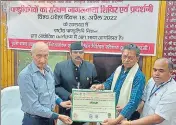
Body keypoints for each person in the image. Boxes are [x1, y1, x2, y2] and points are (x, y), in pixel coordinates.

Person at [18, 42, 73, 125]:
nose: (42, 60)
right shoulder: (25, 76)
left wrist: (60, 102)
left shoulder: (48, 70)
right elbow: (34, 106)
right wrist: (58, 116)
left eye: (45, 56)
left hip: (49, 119)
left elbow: (50, 93)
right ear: (31, 54)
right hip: (34, 120)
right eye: (39, 56)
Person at [91, 43, 146, 124]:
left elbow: (133, 102)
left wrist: (116, 120)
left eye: (130, 57)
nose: (126, 60)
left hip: (126, 119)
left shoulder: (139, 76)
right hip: (111, 111)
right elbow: (109, 82)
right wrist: (101, 86)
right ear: (121, 56)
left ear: (137, 58)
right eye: (125, 56)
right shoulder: (119, 69)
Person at [120, 58, 176, 125]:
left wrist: (130, 123)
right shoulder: (151, 81)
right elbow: (143, 101)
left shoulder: (172, 91)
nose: (156, 73)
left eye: (161, 71)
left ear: (171, 72)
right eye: (155, 70)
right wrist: (128, 108)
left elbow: (158, 118)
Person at [54, 41, 98, 125]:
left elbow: (95, 82)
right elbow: (56, 86)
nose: (78, 55)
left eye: (81, 52)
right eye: (75, 52)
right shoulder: (60, 66)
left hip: (84, 113)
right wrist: (69, 95)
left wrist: (94, 87)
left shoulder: (90, 67)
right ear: (70, 53)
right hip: (65, 113)